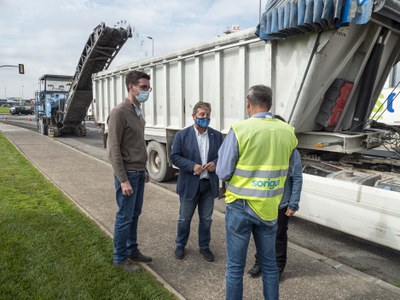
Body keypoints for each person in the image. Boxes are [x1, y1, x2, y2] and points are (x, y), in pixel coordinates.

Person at [216, 85, 298, 300]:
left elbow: (223, 172)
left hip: (240, 207)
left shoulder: (240, 129)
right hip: (270, 209)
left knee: (235, 268)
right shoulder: (287, 131)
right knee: (270, 267)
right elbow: (291, 170)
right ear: (270, 104)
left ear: (248, 103)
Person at [107, 70, 153, 272]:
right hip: (127, 175)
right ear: (130, 87)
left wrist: (144, 169)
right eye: (143, 87)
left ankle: (132, 250)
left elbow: (137, 144)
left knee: (135, 215)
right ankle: (120, 258)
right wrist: (123, 179)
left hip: (138, 172)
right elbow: (113, 149)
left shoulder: (137, 111)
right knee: (124, 217)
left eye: (148, 88)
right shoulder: (119, 112)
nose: (146, 91)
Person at [248, 115, 303, 280]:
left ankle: (278, 268)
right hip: (262, 202)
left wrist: (293, 204)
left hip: (281, 203)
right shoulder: (265, 148)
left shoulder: (292, 150)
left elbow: (297, 178)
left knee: (279, 236)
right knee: (260, 234)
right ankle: (259, 262)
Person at [170, 101, 223, 262]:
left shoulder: (216, 135)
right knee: (184, 218)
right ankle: (180, 244)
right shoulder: (182, 135)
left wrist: (215, 163)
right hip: (190, 185)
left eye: (207, 115)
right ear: (193, 116)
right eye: (202, 115)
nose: (205, 118)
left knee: (206, 219)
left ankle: (204, 247)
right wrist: (192, 166)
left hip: (208, 185)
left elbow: (222, 156)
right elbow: (174, 157)